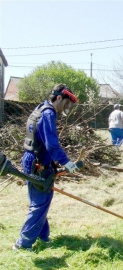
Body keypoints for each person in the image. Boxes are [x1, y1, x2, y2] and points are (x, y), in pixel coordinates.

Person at [13, 84, 80, 251]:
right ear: (59, 98)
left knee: (41, 201)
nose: (66, 108)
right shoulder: (48, 113)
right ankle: (23, 244)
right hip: (39, 163)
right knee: (40, 203)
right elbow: (52, 145)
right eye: (66, 103)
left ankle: (43, 236)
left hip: (31, 158)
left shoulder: (40, 108)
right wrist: (66, 162)